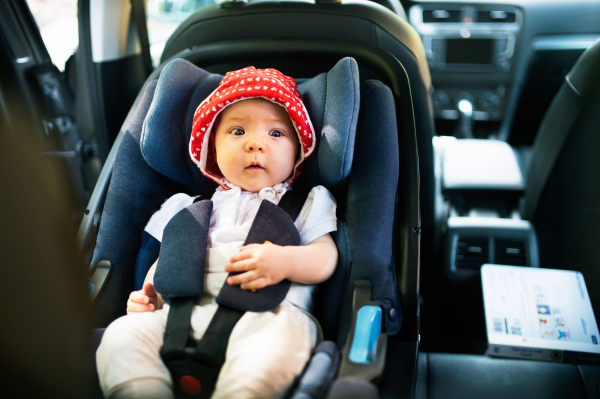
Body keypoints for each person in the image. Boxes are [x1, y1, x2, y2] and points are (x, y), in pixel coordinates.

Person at [96, 66, 339, 399]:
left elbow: (325, 258)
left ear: (298, 149)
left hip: (268, 313)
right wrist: (150, 296)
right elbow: (166, 262)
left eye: (276, 134)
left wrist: (285, 261)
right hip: (182, 313)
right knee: (123, 334)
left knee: (274, 345)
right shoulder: (186, 206)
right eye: (237, 132)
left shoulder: (306, 203)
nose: (255, 144)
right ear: (212, 148)